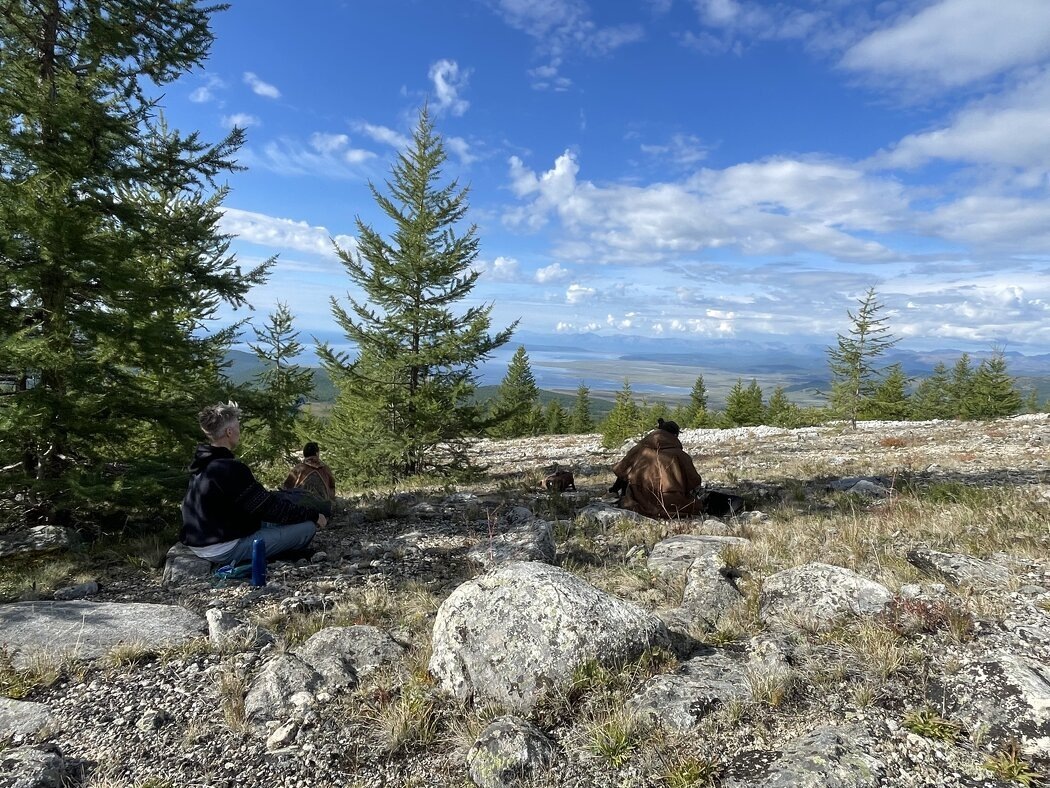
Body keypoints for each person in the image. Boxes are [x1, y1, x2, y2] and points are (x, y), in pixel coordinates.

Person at [180, 402, 327, 565]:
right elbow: (268, 508)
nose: (239, 431)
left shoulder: (203, 462)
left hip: (200, 540)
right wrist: (313, 515)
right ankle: (273, 555)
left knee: (274, 521)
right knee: (307, 528)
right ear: (229, 432)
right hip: (223, 548)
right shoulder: (229, 468)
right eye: (238, 426)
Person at [610, 418, 705, 519]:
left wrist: (614, 490)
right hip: (672, 503)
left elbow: (622, 470)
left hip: (641, 498)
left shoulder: (639, 449)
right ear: (674, 435)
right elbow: (694, 481)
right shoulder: (680, 455)